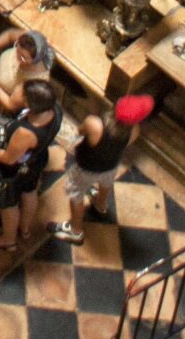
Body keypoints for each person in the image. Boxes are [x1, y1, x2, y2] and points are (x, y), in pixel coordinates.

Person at [53, 92, 154, 242]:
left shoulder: (95, 124)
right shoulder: (135, 131)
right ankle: (100, 204)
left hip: (87, 168)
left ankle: (75, 231)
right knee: (105, 183)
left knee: (75, 193)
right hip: (111, 166)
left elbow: (80, 131)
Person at [0, 75, 61, 251]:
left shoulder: (26, 133)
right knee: (29, 192)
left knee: (9, 205)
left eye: (22, 93)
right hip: (35, 161)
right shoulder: (54, 109)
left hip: (13, 170)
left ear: (29, 105)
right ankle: (25, 229)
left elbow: (8, 158)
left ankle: (8, 240)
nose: (18, 91)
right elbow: (10, 103)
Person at [0, 26, 55, 114]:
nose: (17, 58)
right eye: (17, 50)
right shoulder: (28, 41)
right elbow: (9, 35)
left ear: (35, 60)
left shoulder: (35, 81)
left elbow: (11, 104)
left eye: (24, 58)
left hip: (1, 102)